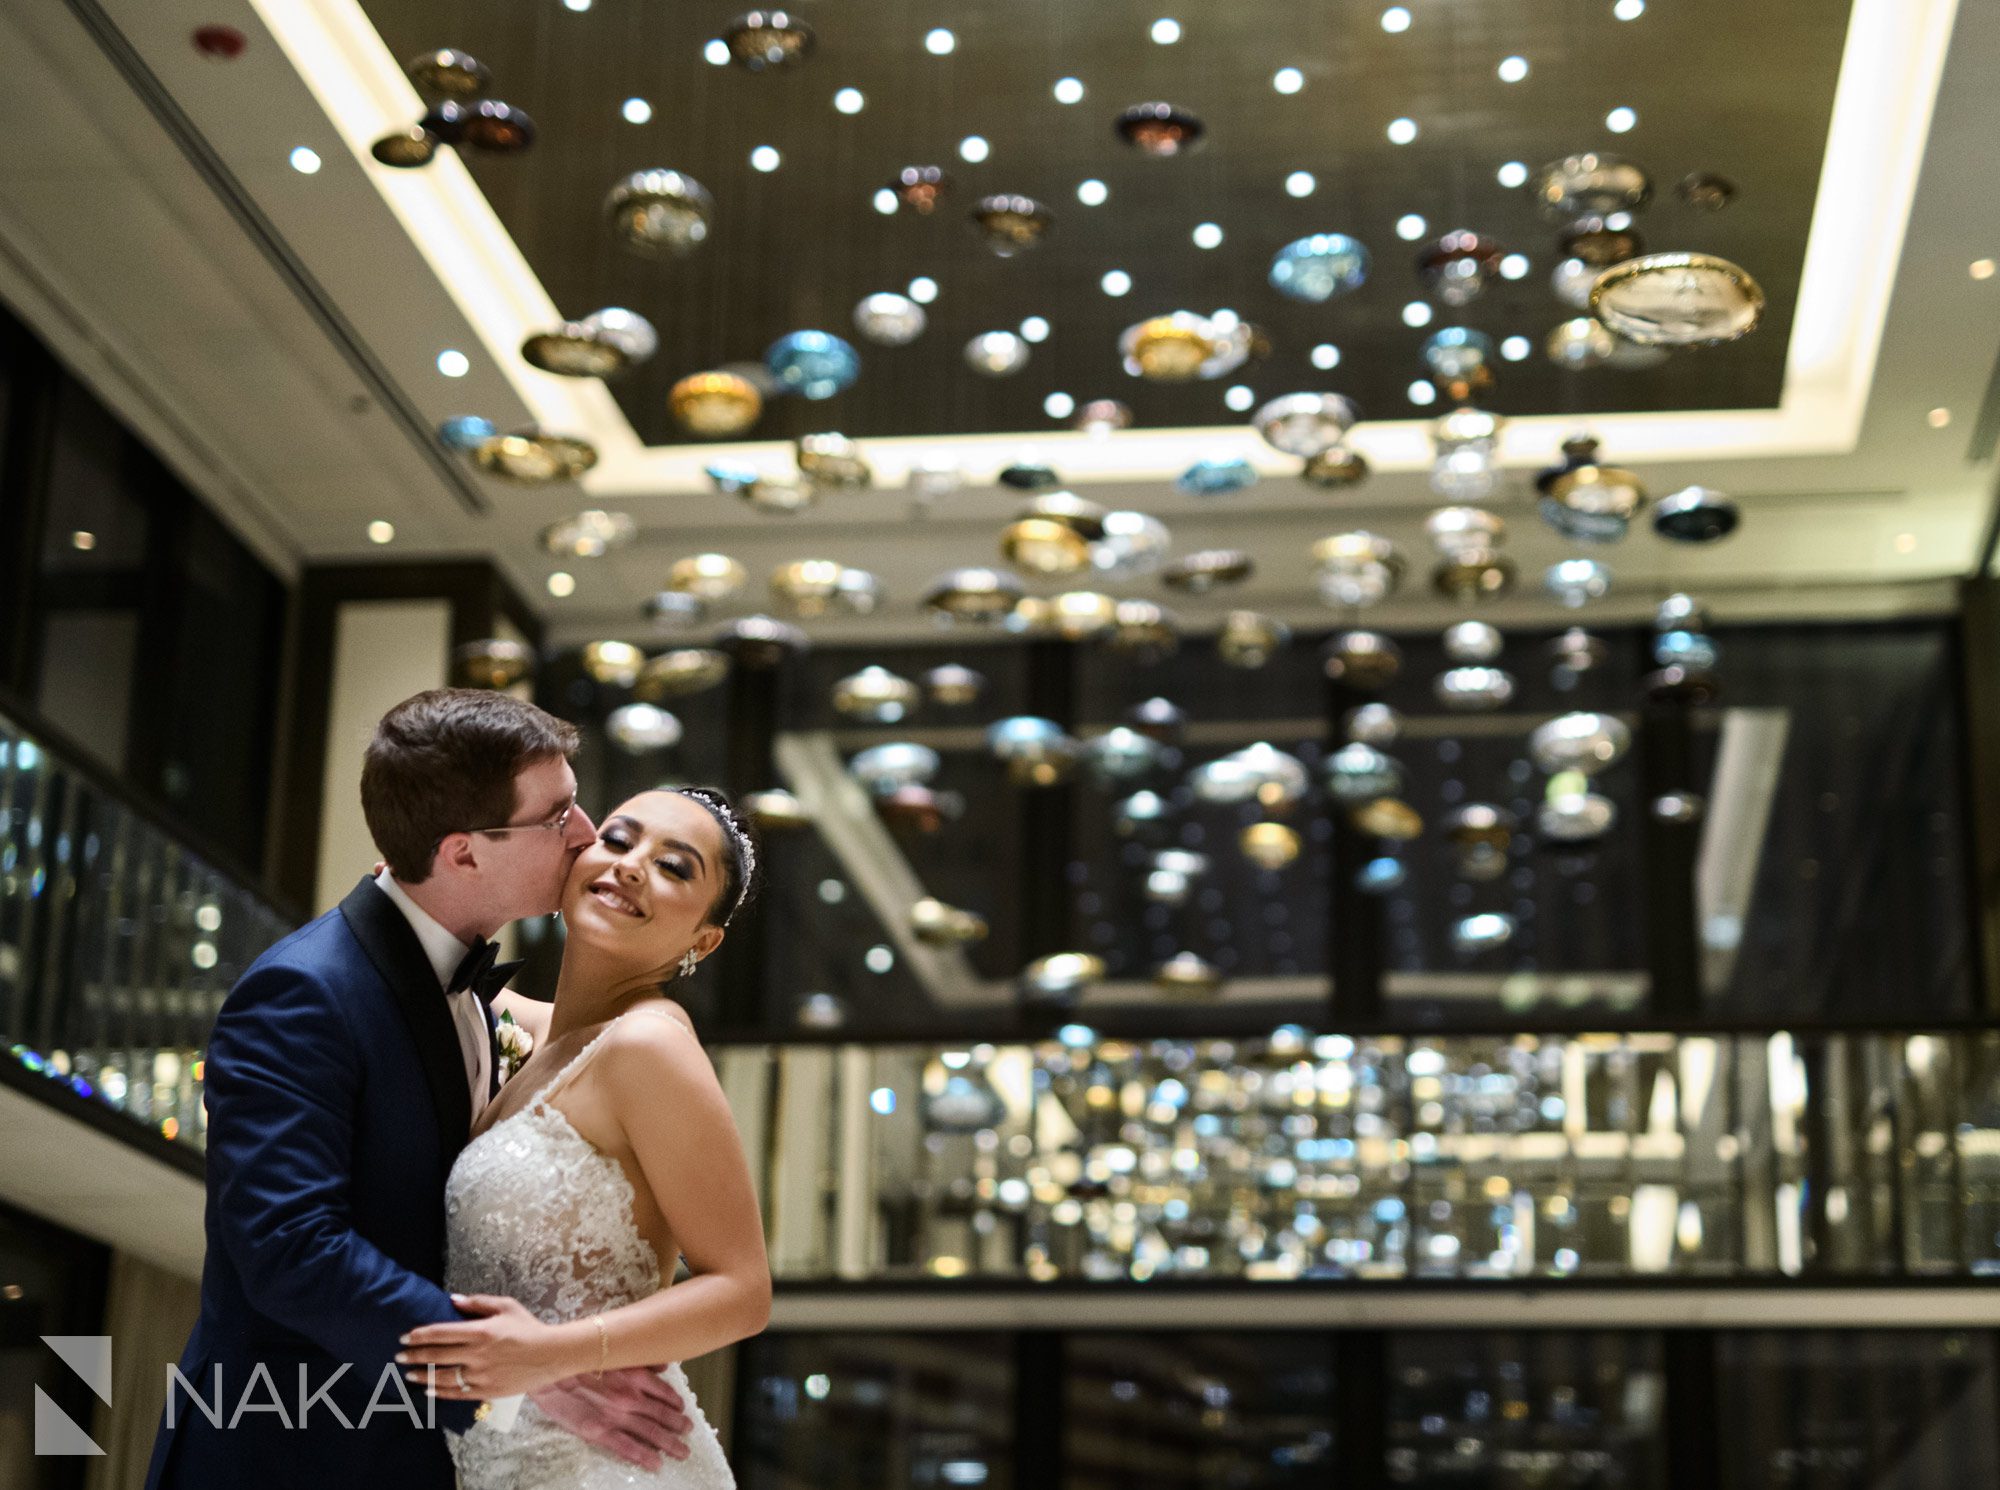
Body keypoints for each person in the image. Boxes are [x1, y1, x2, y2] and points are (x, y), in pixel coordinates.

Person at [146, 690, 696, 1490]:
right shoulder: (304, 994)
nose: (585, 837)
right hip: (290, 1454)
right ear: (463, 852)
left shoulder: (466, 985)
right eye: (559, 815)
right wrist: (520, 1372)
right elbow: (293, 1253)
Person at [398, 785, 772, 1489]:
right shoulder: (524, 1029)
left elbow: (743, 1290)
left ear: (704, 940)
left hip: (609, 1468)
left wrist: (552, 1355)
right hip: (502, 1451)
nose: (632, 866)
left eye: (676, 867)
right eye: (620, 840)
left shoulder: (649, 1048)